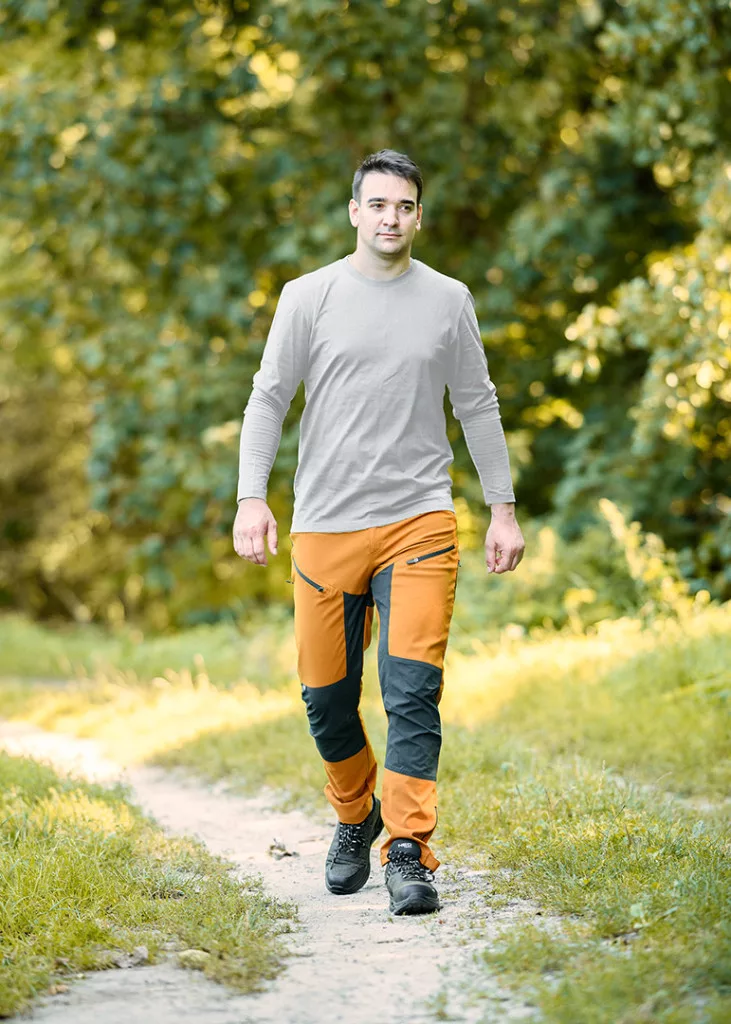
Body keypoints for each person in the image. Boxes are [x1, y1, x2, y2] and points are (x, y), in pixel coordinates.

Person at [233, 149, 525, 916]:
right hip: (325, 524)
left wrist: (501, 508)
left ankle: (408, 851)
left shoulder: (448, 300)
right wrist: (250, 498)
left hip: (418, 520)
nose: (390, 218)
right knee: (326, 700)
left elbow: (477, 404)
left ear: (417, 216)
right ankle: (353, 812)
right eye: (378, 204)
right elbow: (268, 399)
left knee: (411, 691)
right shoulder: (308, 296)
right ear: (354, 212)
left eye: (404, 206)